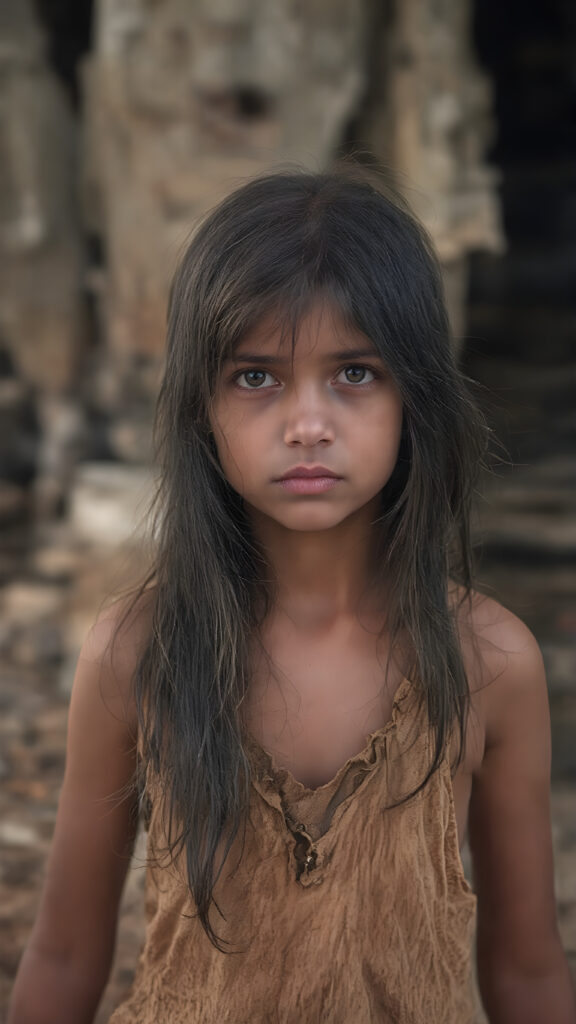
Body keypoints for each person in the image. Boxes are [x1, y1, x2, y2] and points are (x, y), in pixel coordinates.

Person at [8, 170, 575, 1024]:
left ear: (414, 398)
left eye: (354, 373)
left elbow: (527, 971)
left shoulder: (488, 661)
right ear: (201, 408)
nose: (307, 422)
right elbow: (64, 954)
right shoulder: (137, 650)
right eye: (257, 378)